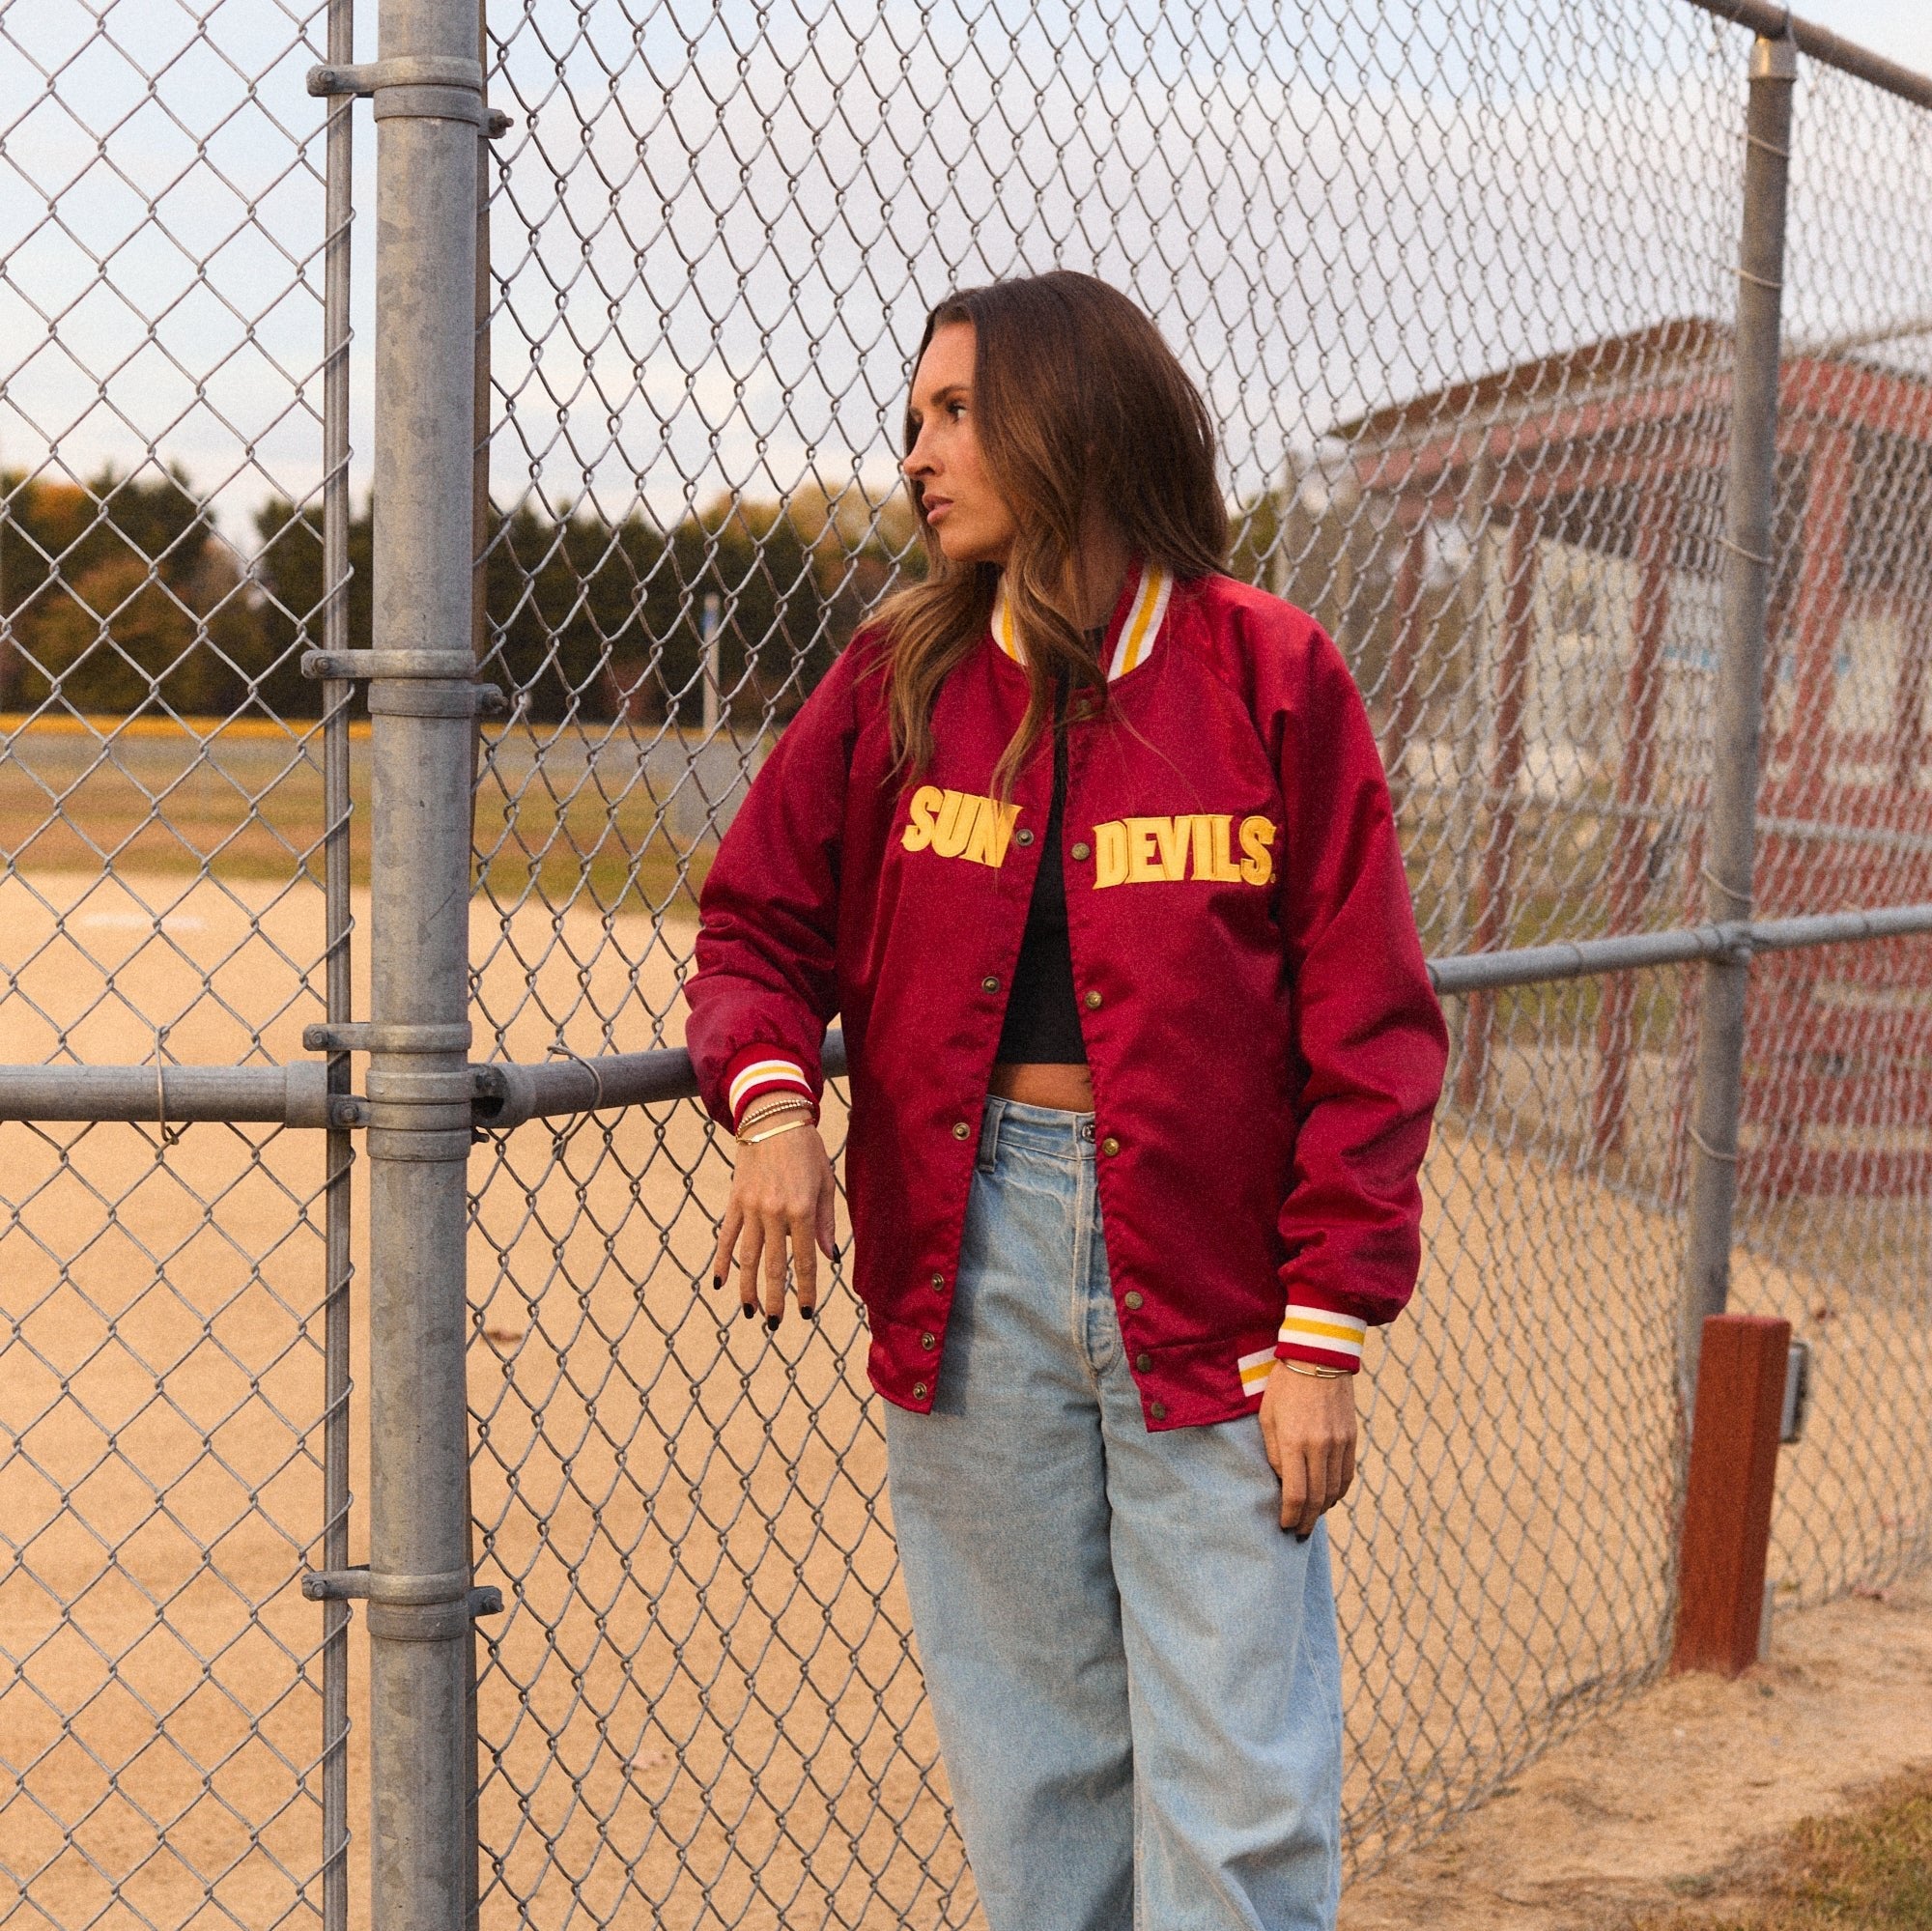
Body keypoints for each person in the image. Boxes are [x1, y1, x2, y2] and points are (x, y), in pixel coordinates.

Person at [684, 270, 1446, 1931]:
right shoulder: (900, 677)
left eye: (956, 415)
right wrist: (773, 1110)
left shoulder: (1270, 674)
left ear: (1070, 422)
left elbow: (1373, 1027)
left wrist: (1327, 1330)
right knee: (1041, 1783)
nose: (919, 456)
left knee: (1238, 1795)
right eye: (913, 422)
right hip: (969, 1270)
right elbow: (753, 923)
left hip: (1219, 1288)